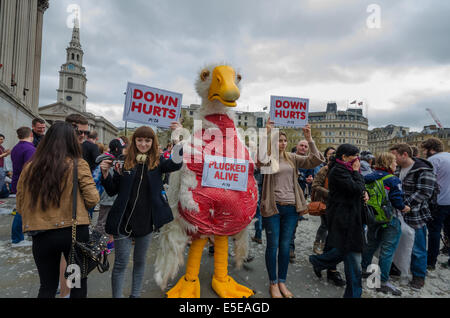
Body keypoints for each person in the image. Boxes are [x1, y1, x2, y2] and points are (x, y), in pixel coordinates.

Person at [16, 121, 99, 298]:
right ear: (71, 141)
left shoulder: (30, 167)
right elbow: (93, 198)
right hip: (74, 235)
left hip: (42, 235)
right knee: (76, 284)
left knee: (47, 286)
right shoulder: (78, 164)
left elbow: (21, 205)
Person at [100, 123, 183, 298]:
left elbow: (176, 163)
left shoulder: (158, 163)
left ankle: (135, 295)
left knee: (140, 262)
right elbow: (112, 190)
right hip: (123, 222)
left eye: (147, 140)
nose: (143, 144)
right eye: (140, 140)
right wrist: (105, 175)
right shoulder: (123, 163)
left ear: (153, 142)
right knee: (121, 263)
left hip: (146, 223)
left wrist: (177, 138)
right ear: (134, 141)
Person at [261, 120, 324, 298]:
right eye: (279, 140)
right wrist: (267, 134)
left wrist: (309, 138)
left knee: (285, 246)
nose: (282, 143)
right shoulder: (268, 158)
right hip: (273, 208)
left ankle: (282, 281)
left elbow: (316, 159)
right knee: (272, 246)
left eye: (284, 140)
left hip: (291, 208)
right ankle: (273, 283)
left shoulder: (292, 157)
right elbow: (258, 160)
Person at [309, 144, 368, 298]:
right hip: (344, 219)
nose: (357, 159)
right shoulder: (338, 171)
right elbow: (356, 188)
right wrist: (357, 175)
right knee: (353, 256)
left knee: (344, 251)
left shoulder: (346, 169)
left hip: (353, 217)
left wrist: (364, 193)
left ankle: (319, 261)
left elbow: (359, 189)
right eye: (354, 155)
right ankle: (353, 294)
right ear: (344, 157)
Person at [361, 152, 411, 296]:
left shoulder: (368, 177)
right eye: (394, 162)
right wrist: (405, 208)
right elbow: (396, 201)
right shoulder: (393, 180)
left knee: (371, 245)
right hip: (390, 218)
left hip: (372, 217)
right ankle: (382, 282)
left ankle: (365, 270)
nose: (396, 164)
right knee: (387, 250)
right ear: (389, 164)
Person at [389, 143, 436, 290]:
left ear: (404, 155)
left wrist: (404, 205)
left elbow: (425, 192)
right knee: (398, 242)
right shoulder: (397, 168)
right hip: (398, 213)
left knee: (418, 247)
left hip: (415, 215)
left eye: (394, 155)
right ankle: (398, 268)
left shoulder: (423, 169)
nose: (393, 159)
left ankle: (418, 276)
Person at [420, 138, 450, 270]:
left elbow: (429, 183)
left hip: (439, 201)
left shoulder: (433, 160)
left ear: (431, 149)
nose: (423, 153)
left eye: (425, 150)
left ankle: (431, 261)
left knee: (434, 231)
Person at [289, 139, 319, 262]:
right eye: (301, 145)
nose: (303, 148)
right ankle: (282, 247)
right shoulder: (288, 158)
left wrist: (309, 179)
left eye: (306, 146)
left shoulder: (308, 162)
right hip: (284, 194)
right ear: (296, 146)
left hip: (299, 197)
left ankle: (290, 249)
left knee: (292, 225)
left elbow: (310, 177)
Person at [10, 127, 36, 247]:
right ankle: (17, 238)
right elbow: (30, 170)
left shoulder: (16, 148)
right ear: (31, 134)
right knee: (21, 210)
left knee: (21, 208)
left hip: (16, 181)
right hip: (26, 184)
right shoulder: (30, 149)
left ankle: (20, 235)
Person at [311, 147, 335, 254]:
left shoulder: (339, 169)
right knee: (325, 225)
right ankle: (318, 244)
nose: (332, 156)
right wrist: (328, 193)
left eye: (334, 154)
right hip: (325, 202)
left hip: (335, 203)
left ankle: (326, 245)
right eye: (330, 154)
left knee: (331, 226)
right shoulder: (324, 169)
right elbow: (315, 185)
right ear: (326, 156)